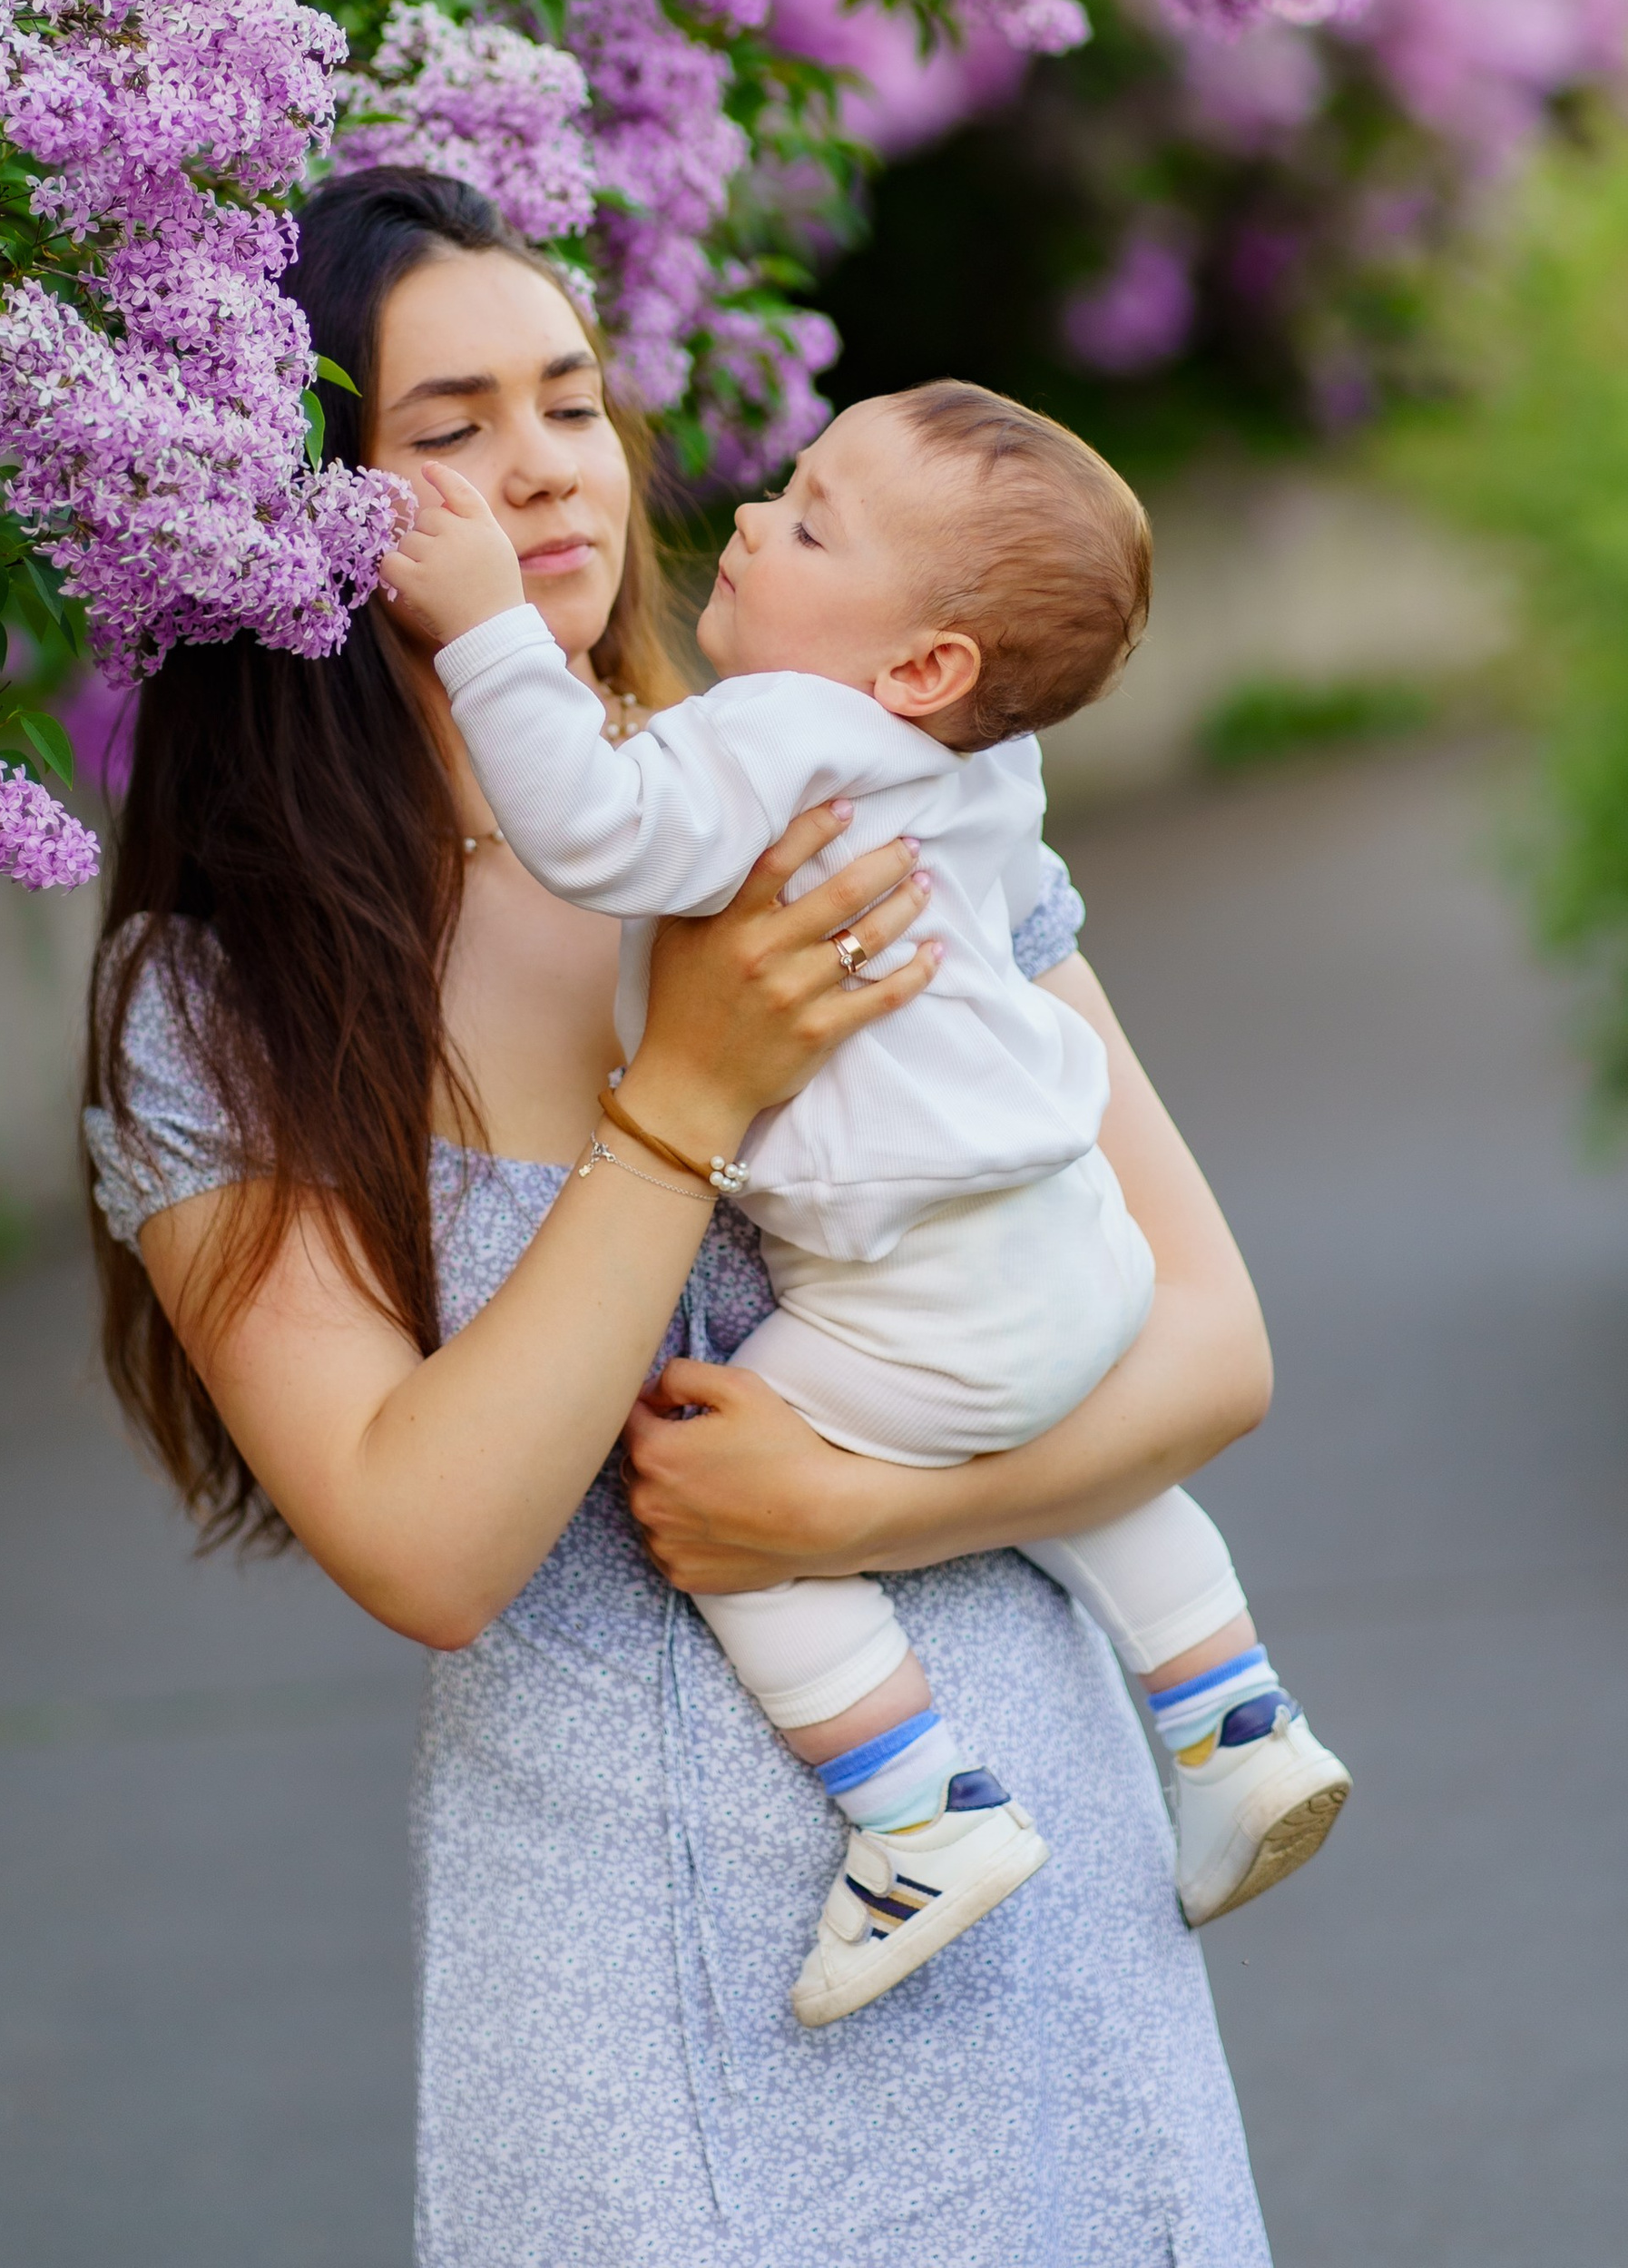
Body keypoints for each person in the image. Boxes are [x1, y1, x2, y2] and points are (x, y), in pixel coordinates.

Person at [84, 165, 1278, 2268]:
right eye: (443, 432)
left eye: (567, 400)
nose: (543, 471)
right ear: (300, 508)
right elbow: (428, 1542)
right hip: (624, 1964)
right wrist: (688, 1097)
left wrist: (847, 1516)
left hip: (1017, 1871)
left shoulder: (843, 802)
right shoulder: (227, 1001)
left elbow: (1201, 1345)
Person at [380, 379, 1348, 2028]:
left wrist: (488, 641)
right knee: (1073, 1467)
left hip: (921, 1290)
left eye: (810, 520)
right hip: (1068, 1249)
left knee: (720, 1501)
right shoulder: (980, 768)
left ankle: (917, 1813)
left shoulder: (786, 728)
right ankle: (1238, 1723)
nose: (750, 517)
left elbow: (603, 834)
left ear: (920, 668)